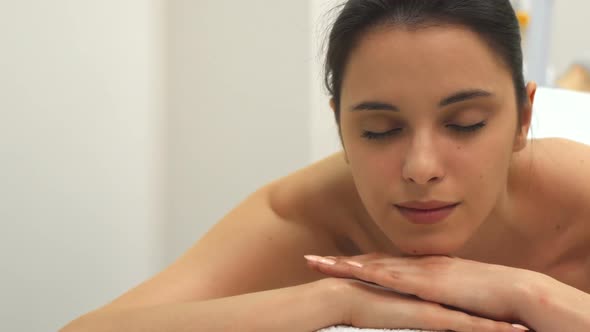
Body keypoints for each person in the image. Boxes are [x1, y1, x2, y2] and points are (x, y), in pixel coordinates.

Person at [60, 1, 590, 331]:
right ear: (340, 125)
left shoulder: (580, 196)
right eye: (380, 130)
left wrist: (525, 293)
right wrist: (336, 301)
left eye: (466, 123)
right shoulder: (304, 216)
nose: (421, 167)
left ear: (523, 118)